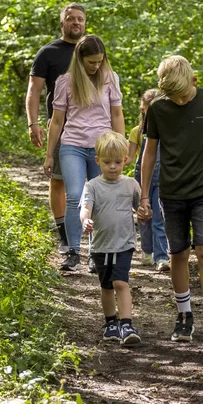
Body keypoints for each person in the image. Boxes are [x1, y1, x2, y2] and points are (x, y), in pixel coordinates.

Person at [138, 55, 203, 350]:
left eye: (182, 95)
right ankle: (183, 314)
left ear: (194, 80)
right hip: (172, 192)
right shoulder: (158, 109)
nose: (178, 102)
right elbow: (149, 153)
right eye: (173, 97)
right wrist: (143, 195)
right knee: (177, 254)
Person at [46, 34, 125, 272]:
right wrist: (50, 154)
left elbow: (117, 115)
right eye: (91, 62)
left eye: (100, 61)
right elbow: (57, 120)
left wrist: (120, 146)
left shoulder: (111, 79)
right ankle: (72, 252)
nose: (96, 65)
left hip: (101, 147)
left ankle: (95, 253)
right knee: (74, 196)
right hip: (72, 145)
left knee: (97, 199)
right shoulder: (65, 82)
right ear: (80, 59)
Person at [26, 3, 86, 255]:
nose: (75, 23)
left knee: (91, 185)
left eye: (80, 19)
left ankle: (94, 240)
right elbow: (34, 91)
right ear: (62, 24)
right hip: (60, 127)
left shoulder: (91, 50)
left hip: (92, 128)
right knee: (60, 182)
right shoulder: (48, 53)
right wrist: (33, 122)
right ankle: (64, 235)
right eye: (70, 19)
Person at [80, 131, 143, 346]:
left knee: (121, 282)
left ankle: (126, 323)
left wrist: (145, 212)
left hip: (124, 243)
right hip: (100, 245)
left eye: (117, 162)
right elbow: (85, 207)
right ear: (98, 161)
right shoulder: (92, 186)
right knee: (106, 285)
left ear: (125, 160)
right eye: (107, 162)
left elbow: (140, 207)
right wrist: (85, 220)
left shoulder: (131, 184)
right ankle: (110, 323)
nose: (113, 167)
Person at [128, 89, 168, 271]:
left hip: (162, 178)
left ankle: (162, 257)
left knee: (159, 218)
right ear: (143, 109)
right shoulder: (137, 132)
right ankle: (147, 251)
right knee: (144, 216)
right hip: (141, 179)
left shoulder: (167, 130)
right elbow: (129, 158)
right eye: (148, 108)